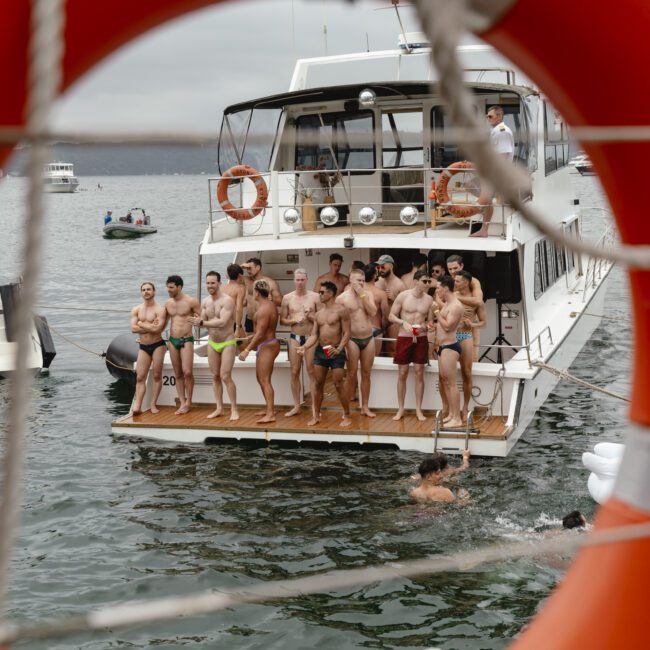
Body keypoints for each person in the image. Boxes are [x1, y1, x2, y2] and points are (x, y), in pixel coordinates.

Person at [298, 281, 351, 427]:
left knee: (338, 383)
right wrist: (304, 347)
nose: (319, 294)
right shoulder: (319, 314)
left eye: (322, 292)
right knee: (318, 383)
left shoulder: (342, 310)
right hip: (321, 351)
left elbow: (347, 332)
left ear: (331, 293)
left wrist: (340, 348)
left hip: (336, 350)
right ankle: (316, 415)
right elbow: (314, 335)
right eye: (319, 292)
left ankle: (346, 414)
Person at [189, 271, 239, 421]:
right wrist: (196, 320)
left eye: (213, 283)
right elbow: (202, 321)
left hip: (227, 341)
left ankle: (234, 409)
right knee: (215, 376)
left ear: (219, 283)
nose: (210, 286)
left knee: (225, 375)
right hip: (212, 342)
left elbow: (223, 322)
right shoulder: (205, 302)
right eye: (208, 283)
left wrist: (202, 323)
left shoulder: (227, 301)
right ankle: (219, 408)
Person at [388, 270, 435, 422]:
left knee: (419, 373)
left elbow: (430, 322)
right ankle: (400, 408)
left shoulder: (429, 299)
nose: (428, 284)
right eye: (425, 281)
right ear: (416, 281)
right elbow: (391, 316)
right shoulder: (403, 296)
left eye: (429, 281)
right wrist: (404, 322)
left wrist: (426, 327)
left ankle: (418, 409)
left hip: (420, 337)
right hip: (404, 336)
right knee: (402, 373)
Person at [336, 268, 377, 418]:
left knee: (366, 373)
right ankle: (345, 410)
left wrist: (363, 295)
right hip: (352, 339)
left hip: (368, 337)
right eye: (358, 280)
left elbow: (373, 312)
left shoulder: (368, 294)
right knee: (351, 374)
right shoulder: (342, 299)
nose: (361, 283)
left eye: (362, 280)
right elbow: (337, 323)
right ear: (350, 280)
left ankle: (364, 406)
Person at [279, 268, 320, 417]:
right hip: (295, 337)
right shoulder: (287, 298)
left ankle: (315, 407)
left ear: (307, 280)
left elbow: (322, 320)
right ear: (294, 280)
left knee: (311, 371)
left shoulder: (315, 297)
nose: (300, 283)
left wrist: (311, 316)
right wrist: (293, 320)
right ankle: (297, 405)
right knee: (294, 371)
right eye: (297, 280)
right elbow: (282, 320)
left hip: (311, 337)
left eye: (302, 280)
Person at [239, 280, 280, 423]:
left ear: (257, 292)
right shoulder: (269, 306)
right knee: (260, 379)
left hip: (268, 345)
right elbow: (262, 331)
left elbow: (261, 333)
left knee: (265, 380)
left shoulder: (264, 309)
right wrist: (249, 337)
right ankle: (269, 409)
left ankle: (271, 414)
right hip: (265, 345)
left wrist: (246, 350)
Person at [471, 105, 514, 238]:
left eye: (490, 116)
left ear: (500, 116)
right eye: (487, 116)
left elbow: (503, 154)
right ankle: (484, 227)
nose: (488, 119)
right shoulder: (497, 130)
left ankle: (484, 228)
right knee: (483, 196)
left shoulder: (502, 131)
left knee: (478, 192)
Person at [165, 275, 201, 415]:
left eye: (171, 287)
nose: (169, 290)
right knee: (178, 373)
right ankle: (182, 401)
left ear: (179, 287)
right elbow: (163, 322)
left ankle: (189, 402)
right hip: (173, 341)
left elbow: (203, 316)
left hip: (186, 340)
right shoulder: (168, 303)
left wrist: (199, 320)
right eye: (168, 287)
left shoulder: (191, 301)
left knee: (187, 372)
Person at [130, 282, 167, 416]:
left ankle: (153, 403)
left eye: (149, 289)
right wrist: (148, 325)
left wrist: (140, 323)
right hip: (143, 346)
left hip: (158, 345)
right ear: (141, 292)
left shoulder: (160, 309)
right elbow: (133, 329)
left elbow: (158, 329)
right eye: (144, 290)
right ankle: (138, 405)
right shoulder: (136, 309)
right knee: (140, 377)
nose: (146, 292)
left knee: (157, 375)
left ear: (154, 291)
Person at [454, 270, 486, 420]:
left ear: (466, 283)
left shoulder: (474, 300)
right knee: (446, 375)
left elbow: (483, 322)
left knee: (467, 372)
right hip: (449, 336)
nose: (455, 283)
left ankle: (465, 407)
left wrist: (472, 323)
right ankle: (450, 409)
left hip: (464, 335)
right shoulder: (450, 295)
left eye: (458, 281)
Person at [434, 276, 464, 428]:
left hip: (450, 347)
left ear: (446, 289)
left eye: (438, 288)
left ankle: (457, 418)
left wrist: (436, 313)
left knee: (452, 384)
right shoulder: (447, 304)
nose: (437, 291)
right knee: (445, 381)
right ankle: (452, 414)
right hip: (442, 347)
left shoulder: (455, 306)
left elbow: (448, 327)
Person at [447, 254, 484, 361]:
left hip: (470, 327)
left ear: (462, 266)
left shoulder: (473, 281)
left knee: (471, 361)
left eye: (455, 268)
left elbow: (478, 300)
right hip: (452, 327)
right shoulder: (448, 282)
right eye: (450, 269)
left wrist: (455, 298)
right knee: (452, 362)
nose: (452, 271)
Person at [376, 254, 407, 355]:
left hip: (393, 322)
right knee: (376, 350)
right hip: (379, 320)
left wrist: (394, 300)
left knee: (392, 348)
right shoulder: (377, 282)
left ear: (391, 266)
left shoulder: (400, 285)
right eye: (378, 267)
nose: (380, 269)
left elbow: (407, 308)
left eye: (383, 266)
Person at [242, 257, 282, 333]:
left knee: (262, 342)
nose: (248, 271)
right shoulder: (246, 280)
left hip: (263, 318)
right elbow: (229, 274)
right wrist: (240, 266)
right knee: (250, 341)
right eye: (247, 269)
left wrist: (271, 300)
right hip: (249, 319)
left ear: (258, 268)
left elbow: (280, 302)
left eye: (250, 268)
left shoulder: (270, 283)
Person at [364, 263, 390, 355]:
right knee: (373, 362)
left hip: (358, 329)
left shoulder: (353, 291)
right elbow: (386, 317)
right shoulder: (380, 294)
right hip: (374, 328)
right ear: (374, 275)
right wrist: (384, 328)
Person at [221, 263, 246, 340]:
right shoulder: (239, 289)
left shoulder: (222, 289)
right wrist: (238, 328)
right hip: (233, 323)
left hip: (222, 322)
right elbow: (238, 309)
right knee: (244, 345)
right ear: (240, 276)